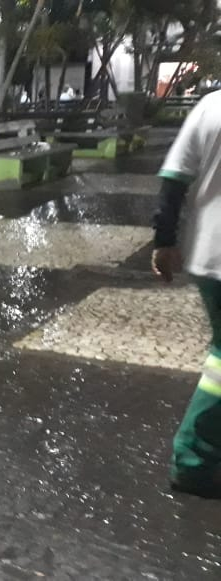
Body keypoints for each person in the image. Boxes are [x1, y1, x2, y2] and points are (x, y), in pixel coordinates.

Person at [153, 89, 221, 499]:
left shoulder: (210, 106)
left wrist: (164, 241)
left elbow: (174, 179)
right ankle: (192, 458)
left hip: (209, 254)